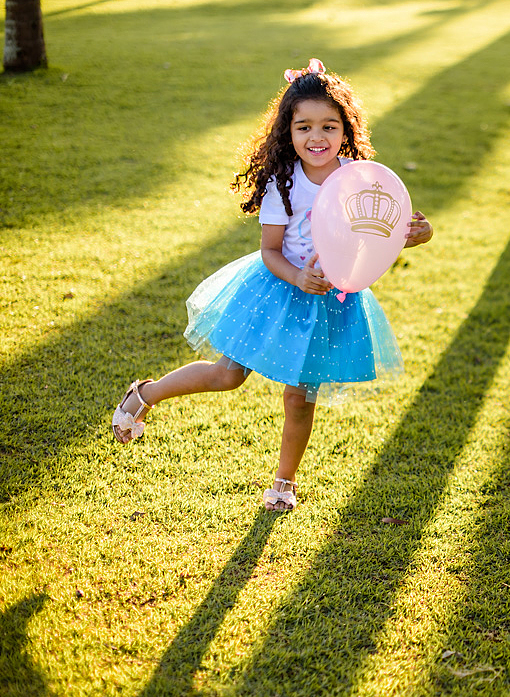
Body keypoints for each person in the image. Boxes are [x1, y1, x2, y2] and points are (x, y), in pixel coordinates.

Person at [110, 58, 432, 511]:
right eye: (304, 127)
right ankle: (145, 394)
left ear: (347, 130)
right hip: (280, 289)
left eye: (329, 126)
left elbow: (378, 235)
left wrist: (419, 233)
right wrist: (299, 276)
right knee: (228, 375)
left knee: (300, 398)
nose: (316, 138)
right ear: (288, 132)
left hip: (330, 301)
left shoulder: (358, 182)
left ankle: (284, 482)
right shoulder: (283, 184)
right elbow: (270, 252)